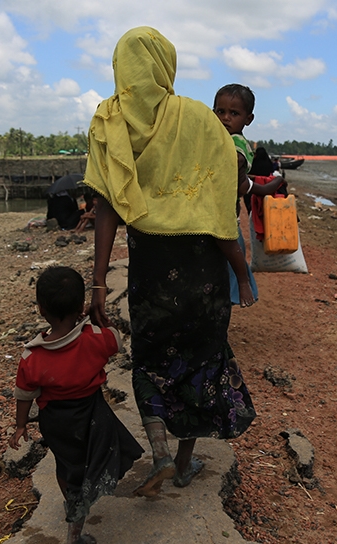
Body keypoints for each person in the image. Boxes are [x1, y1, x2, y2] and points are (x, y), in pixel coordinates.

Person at [84, 27, 257, 497]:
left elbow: (106, 205)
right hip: (202, 263)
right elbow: (224, 196)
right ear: (166, 65)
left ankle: (160, 450)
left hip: (151, 264)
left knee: (150, 358)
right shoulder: (197, 117)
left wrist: (98, 282)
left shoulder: (108, 121)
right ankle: (182, 463)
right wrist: (240, 269)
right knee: (201, 356)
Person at [8, 266, 143, 544]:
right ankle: (76, 523)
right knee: (97, 456)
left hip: (55, 420)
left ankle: (72, 500)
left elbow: (24, 395)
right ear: (82, 306)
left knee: (66, 465)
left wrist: (20, 425)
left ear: (41, 309)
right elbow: (116, 341)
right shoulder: (93, 338)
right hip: (92, 414)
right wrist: (98, 319)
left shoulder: (32, 355)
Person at [212, 84, 288, 304]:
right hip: (211, 211)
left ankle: (244, 282)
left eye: (234, 113)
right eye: (220, 111)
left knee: (231, 247)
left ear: (248, 119)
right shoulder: (214, 139)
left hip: (225, 215)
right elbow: (247, 185)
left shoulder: (238, 142)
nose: (226, 118)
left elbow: (235, 161)